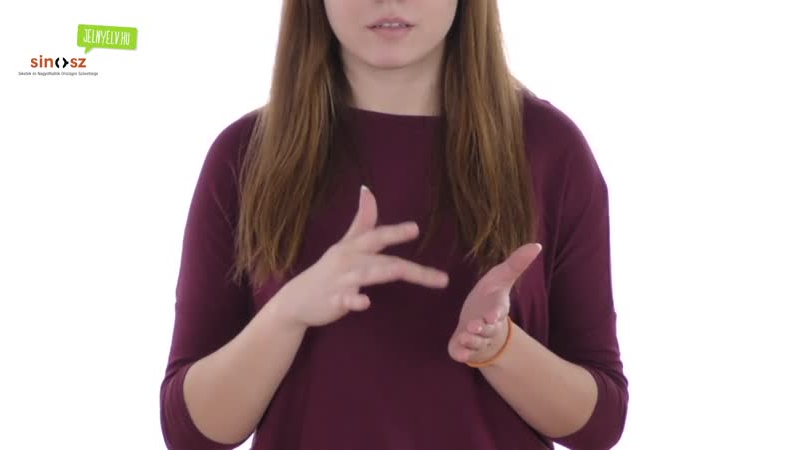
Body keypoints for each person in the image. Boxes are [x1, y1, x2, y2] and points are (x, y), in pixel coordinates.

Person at [159, 1, 628, 449]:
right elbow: (192, 434)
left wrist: (498, 345)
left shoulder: (549, 149)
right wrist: (287, 314)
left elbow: (599, 425)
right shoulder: (244, 156)